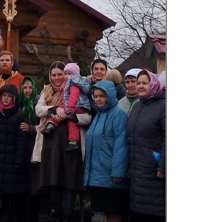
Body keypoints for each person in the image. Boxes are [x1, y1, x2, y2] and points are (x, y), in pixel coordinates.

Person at [34, 61, 90, 222]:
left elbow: (88, 116)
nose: (58, 77)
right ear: (50, 76)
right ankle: (57, 215)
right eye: (54, 75)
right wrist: (54, 110)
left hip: (71, 143)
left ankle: (68, 216)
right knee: (54, 181)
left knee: (70, 180)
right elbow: (39, 110)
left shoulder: (77, 89)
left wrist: (71, 116)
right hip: (51, 143)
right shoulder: (46, 91)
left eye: (61, 74)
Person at [83, 80, 129, 222]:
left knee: (113, 214)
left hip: (111, 176)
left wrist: (117, 172)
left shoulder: (118, 115)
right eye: (95, 96)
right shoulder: (99, 115)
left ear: (109, 96)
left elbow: (121, 145)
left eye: (101, 96)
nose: (98, 99)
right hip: (98, 176)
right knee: (102, 213)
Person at [0, 84, 29, 222]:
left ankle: (15, 214)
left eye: (9, 96)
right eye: (4, 95)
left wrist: (19, 160)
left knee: (14, 191)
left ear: (14, 99)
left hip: (13, 159)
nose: (6, 99)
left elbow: (22, 141)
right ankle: (4, 213)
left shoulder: (19, 116)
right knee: (2, 189)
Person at [127, 70, 165, 222]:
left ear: (154, 84)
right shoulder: (137, 106)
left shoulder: (164, 106)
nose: (140, 86)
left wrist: (163, 167)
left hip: (154, 172)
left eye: (144, 83)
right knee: (138, 212)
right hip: (137, 171)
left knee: (153, 212)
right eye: (138, 83)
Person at [42, 62, 90, 152]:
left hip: (76, 106)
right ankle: (51, 127)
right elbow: (38, 109)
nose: (67, 76)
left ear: (75, 74)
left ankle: (71, 139)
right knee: (59, 113)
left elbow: (73, 97)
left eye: (69, 74)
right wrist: (57, 108)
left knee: (71, 122)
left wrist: (68, 110)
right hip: (70, 106)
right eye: (66, 73)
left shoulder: (74, 83)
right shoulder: (51, 89)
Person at [16, 77, 42, 222]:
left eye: (29, 88)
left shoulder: (38, 103)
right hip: (21, 147)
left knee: (34, 183)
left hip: (34, 146)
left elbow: (43, 125)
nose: (27, 90)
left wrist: (30, 128)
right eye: (25, 88)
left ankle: (34, 215)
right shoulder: (18, 103)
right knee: (22, 182)